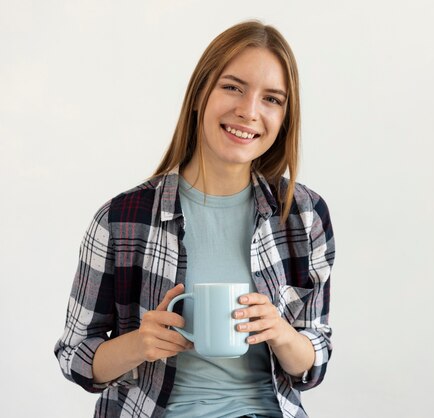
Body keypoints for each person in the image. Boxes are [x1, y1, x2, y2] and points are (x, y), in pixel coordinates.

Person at [54, 20, 335, 418]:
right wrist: (140, 343)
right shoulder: (121, 219)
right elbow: (74, 356)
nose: (249, 111)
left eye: (272, 99)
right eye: (233, 87)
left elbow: (314, 359)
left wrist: (280, 332)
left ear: (285, 117)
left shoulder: (303, 215)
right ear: (201, 93)